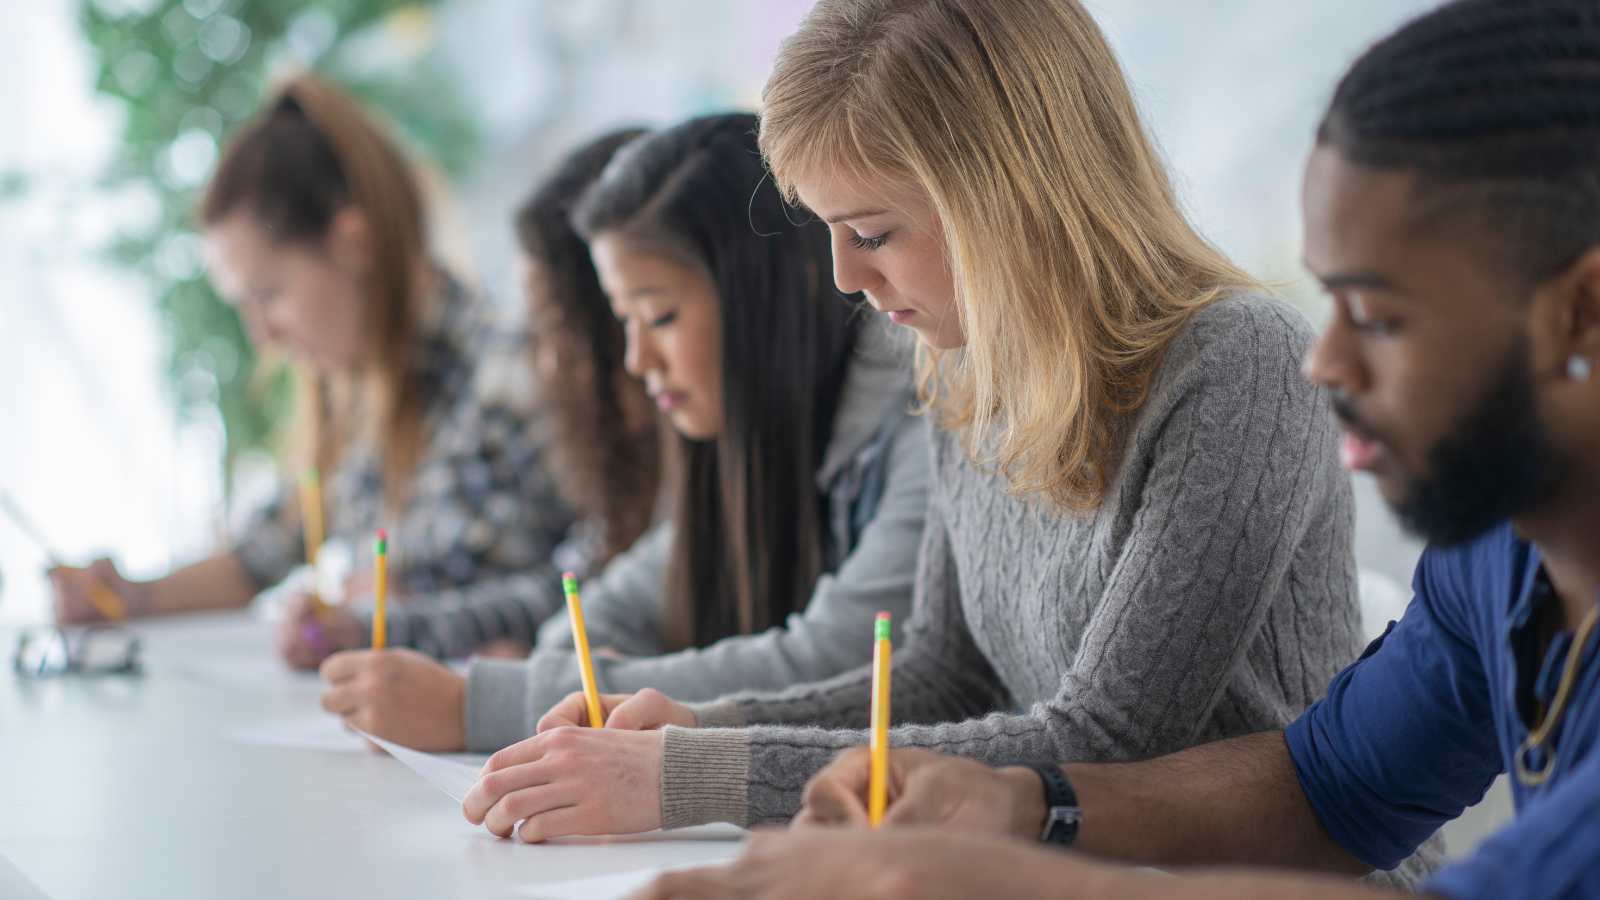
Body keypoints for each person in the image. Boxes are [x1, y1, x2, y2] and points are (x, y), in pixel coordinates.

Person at [644, 1, 1600, 897]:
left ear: (1582, 311)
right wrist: (1020, 803)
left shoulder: (1235, 362)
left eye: (1380, 318)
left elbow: (1123, 737)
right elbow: (1331, 786)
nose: (1328, 362)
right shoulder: (1497, 554)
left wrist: (1016, 867)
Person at [457, 0, 1366, 847]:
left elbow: (1111, 740)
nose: (845, 278)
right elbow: (940, 674)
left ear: (1008, 198)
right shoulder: (961, 361)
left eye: (874, 233)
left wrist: (694, 775)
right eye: (827, 230)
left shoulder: (1239, 363)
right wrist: (704, 725)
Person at [316, 113, 930, 754]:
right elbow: (602, 612)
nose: (636, 360)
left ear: (771, 295)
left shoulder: (916, 425)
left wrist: (487, 704)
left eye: (659, 316)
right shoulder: (728, 448)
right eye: (624, 321)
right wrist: (568, 677)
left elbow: (835, 662)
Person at [48, 75, 577, 643]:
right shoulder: (352, 404)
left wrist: (393, 625)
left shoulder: (517, 377)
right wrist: (127, 597)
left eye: (270, 293)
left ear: (353, 243)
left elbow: (597, 588)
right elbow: (257, 558)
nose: (263, 336)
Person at [273, 127, 664, 667]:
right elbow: (578, 592)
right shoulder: (356, 406)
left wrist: (493, 694)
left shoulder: (501, 377)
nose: (547, 362)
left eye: (271, 294)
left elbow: (568, 603)